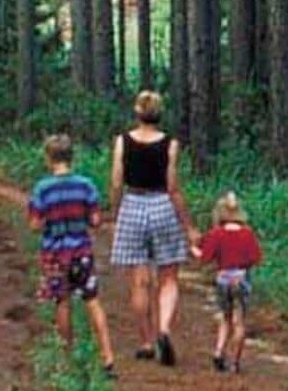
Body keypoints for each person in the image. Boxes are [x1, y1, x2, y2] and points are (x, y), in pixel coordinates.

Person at [105, 90, 193, 366]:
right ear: (159, 113)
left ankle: (145, 341)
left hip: (133, 203)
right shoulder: (170, 144)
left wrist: (115, 212)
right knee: (168, 277)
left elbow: (117, 182)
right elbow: (173, 187)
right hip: (162, 206)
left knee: (139, 280)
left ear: (137, 112)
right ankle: (164, 329)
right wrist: (187, 224)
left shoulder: (123, 142)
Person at [28, 134, 116, 368]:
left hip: (55, 254)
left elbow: (35, 224)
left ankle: (67, 359)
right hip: (81, 252)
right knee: (93, 300)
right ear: (71, 157)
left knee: (62, 302)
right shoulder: (85, 185)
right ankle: (107, 356)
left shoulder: (42, 189)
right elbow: (96, 220)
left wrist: (51, 222)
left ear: (48, 158)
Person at [195, 193, 264, 374]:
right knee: (239, 321)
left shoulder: (216, 234)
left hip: (223, 279)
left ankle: (218, 352)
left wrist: (193, 248)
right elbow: (256, 258)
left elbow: (205, 258)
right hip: (241, 278)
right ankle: (235, 362)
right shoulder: (247, 234)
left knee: (224, 318)